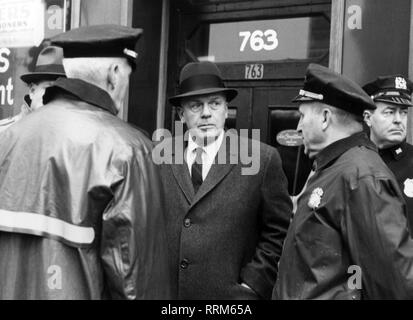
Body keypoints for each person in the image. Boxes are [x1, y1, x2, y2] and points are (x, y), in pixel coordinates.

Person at [0, 25, 170, 299]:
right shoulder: (129, 149)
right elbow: (137, 284)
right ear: (114, 75)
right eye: (127, 75)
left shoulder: (6, 139)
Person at [273, 63, 413, 300]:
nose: (298, 126)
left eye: (303, 116)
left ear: (325, 118)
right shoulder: (336, 167)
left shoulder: (359, 176)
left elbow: (394, 284)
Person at [158, 61, 293, 299]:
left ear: (225, 109)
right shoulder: (159, 157)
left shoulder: (261, 159)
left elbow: (278, 230)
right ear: (181, 113)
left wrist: (253, 284)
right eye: (196, 105)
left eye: (215, 103)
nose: (206, 113)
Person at [363, 75, 413, 227]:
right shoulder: (352, 160)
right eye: (390, 112)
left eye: (403, 112)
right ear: (368, 117)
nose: (398, 119)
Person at [0, 45, 66, 133]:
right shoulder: (5, 133)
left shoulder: (70, 135)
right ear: (32, 91)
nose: (55, 96)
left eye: (61, 90)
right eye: (49, 88)